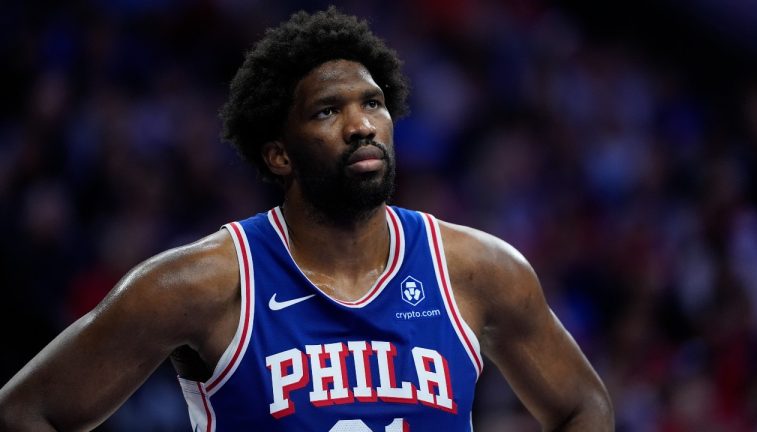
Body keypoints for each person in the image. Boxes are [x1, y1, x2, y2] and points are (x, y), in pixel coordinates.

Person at [0, 7, 613, 431]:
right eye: (327, 111)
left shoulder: (481, 271)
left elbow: (585, 405)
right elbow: (25, 410)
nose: (361, 124)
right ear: (278, 154)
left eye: (373, 103)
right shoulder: (201, 283)